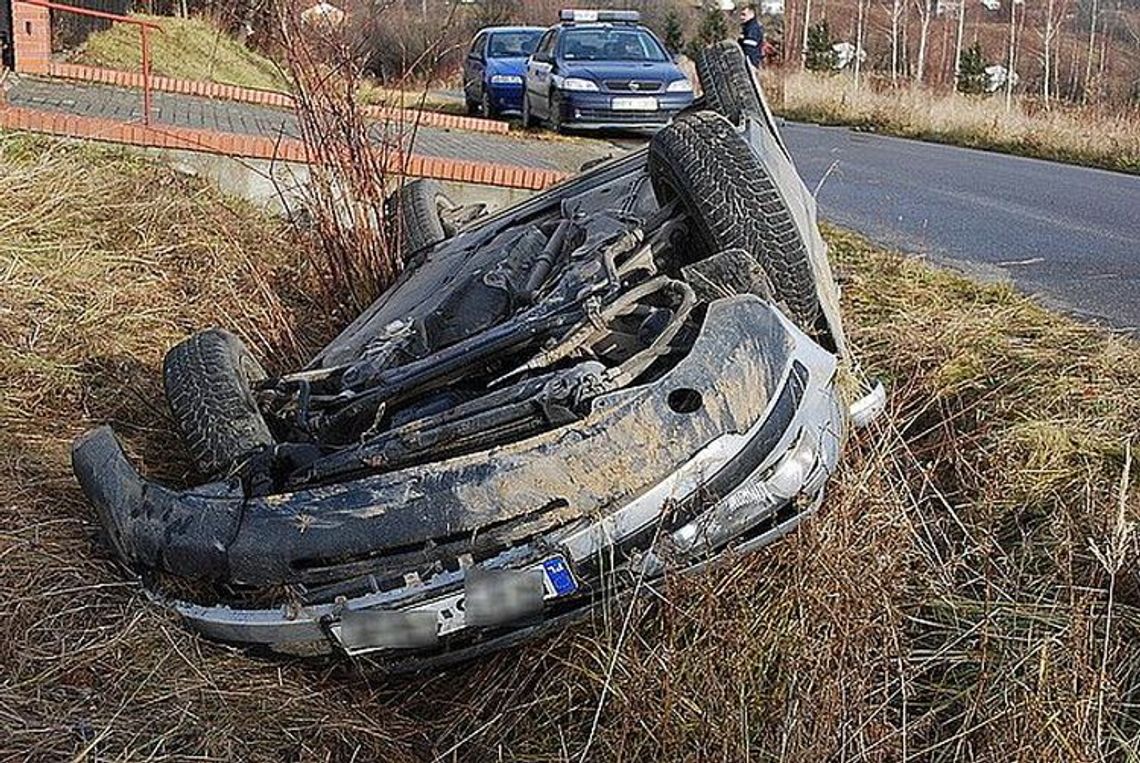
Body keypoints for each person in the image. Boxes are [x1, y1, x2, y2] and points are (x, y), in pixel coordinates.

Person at [738, 5, 764, 69]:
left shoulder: (752, 29)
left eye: (744, 14)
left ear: (751, 14)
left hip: (750, 63)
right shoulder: (747, 28)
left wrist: (750, 65)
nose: (741, 17)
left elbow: (750, 49)